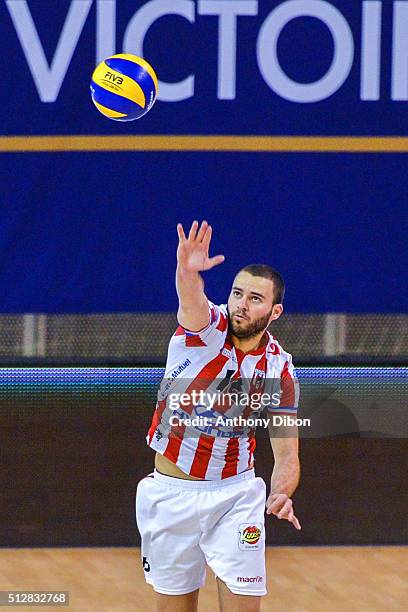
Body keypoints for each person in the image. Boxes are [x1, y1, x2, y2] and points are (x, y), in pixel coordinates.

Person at [136, 220, 301, 612]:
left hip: (235, 496)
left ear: (275, 311)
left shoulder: (279, 369)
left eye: (255, 298)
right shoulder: (205, 329)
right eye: (237, 292)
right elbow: (192, 301)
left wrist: (280, 493)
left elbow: (287, 456)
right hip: (171, 494)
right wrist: (187, 272)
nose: (242, 303)